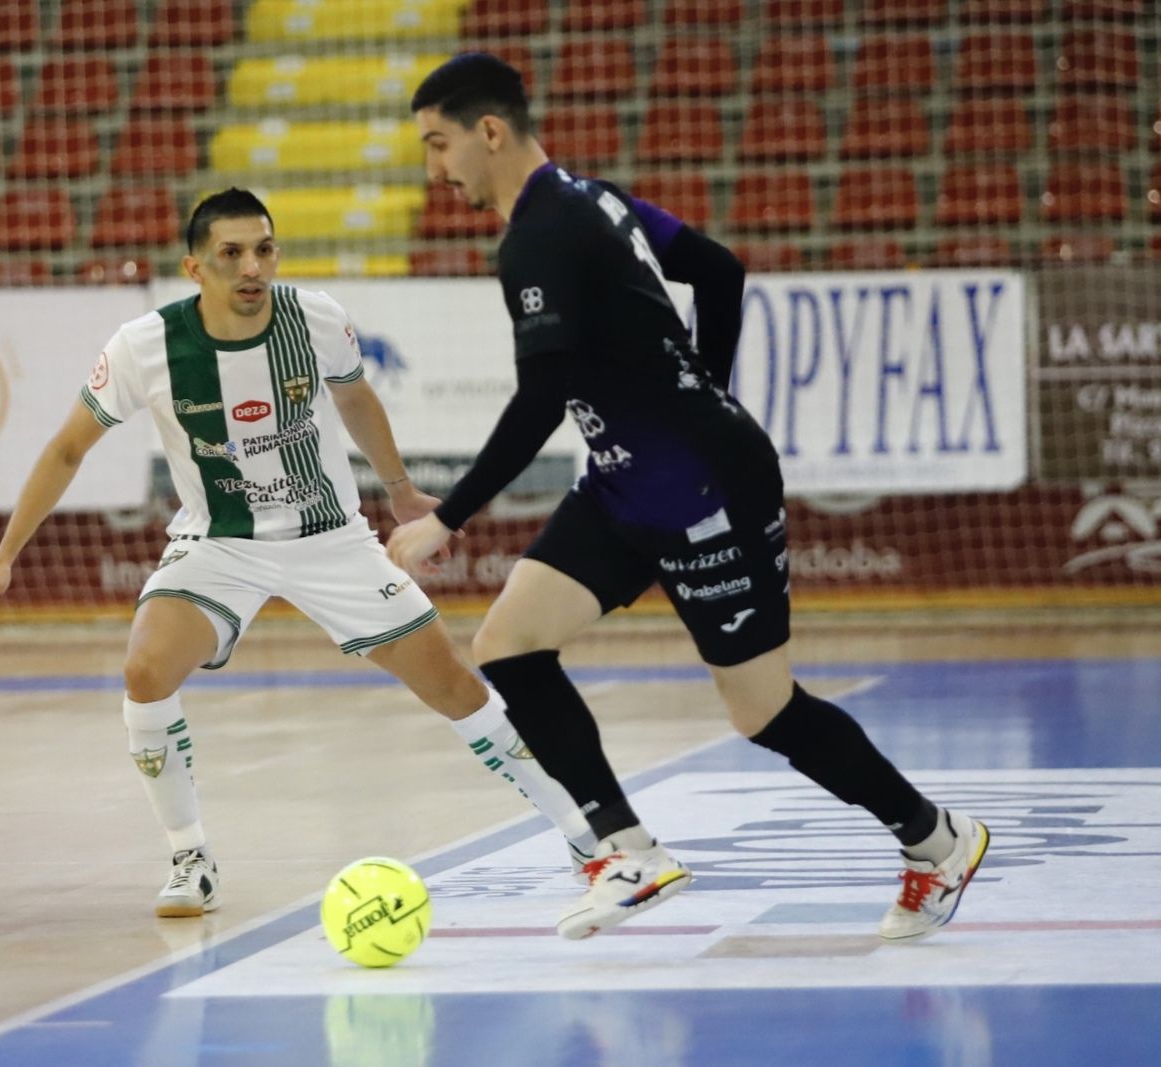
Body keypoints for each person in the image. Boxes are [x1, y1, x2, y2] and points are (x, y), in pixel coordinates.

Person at [388, 54, 989, 942]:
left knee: (763, 711)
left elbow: (542, 397)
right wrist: (702, 385)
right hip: (630, 478)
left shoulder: (538, 237)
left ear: (488, 130)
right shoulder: (599, 198)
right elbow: (720, 270)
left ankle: (939, 841)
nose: (436, 171)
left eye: (439, 145)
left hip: (707, 486)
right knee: (511, 644)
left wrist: (445, 518)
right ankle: (628, 850)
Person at [0, 188, 598, 918]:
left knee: (453, 684)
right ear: (195, 266)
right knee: (144, 669)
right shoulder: (144, 346)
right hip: (219, 541)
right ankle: (189, 856)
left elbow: (356, 399)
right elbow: (68, 447)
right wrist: (4, 556)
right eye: (231, 253)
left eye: (263, 249)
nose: (251, 266)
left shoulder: (315, 318)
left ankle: (583, 831)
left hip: (330, 536)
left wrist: (400, 489)